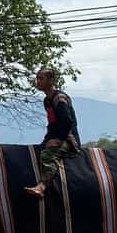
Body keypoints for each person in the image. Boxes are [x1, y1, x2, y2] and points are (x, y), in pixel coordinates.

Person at [25, 68, 81, 198]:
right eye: (37, 78)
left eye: (41, 78)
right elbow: (52, 124)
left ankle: (42, 186)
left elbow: (67, 121)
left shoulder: (60, 99)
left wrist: (59, 140)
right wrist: (47, 140)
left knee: (47, 154)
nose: (37, 81)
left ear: (51, 80)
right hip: (57, 135)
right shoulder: (47, 100)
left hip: (68, 138)